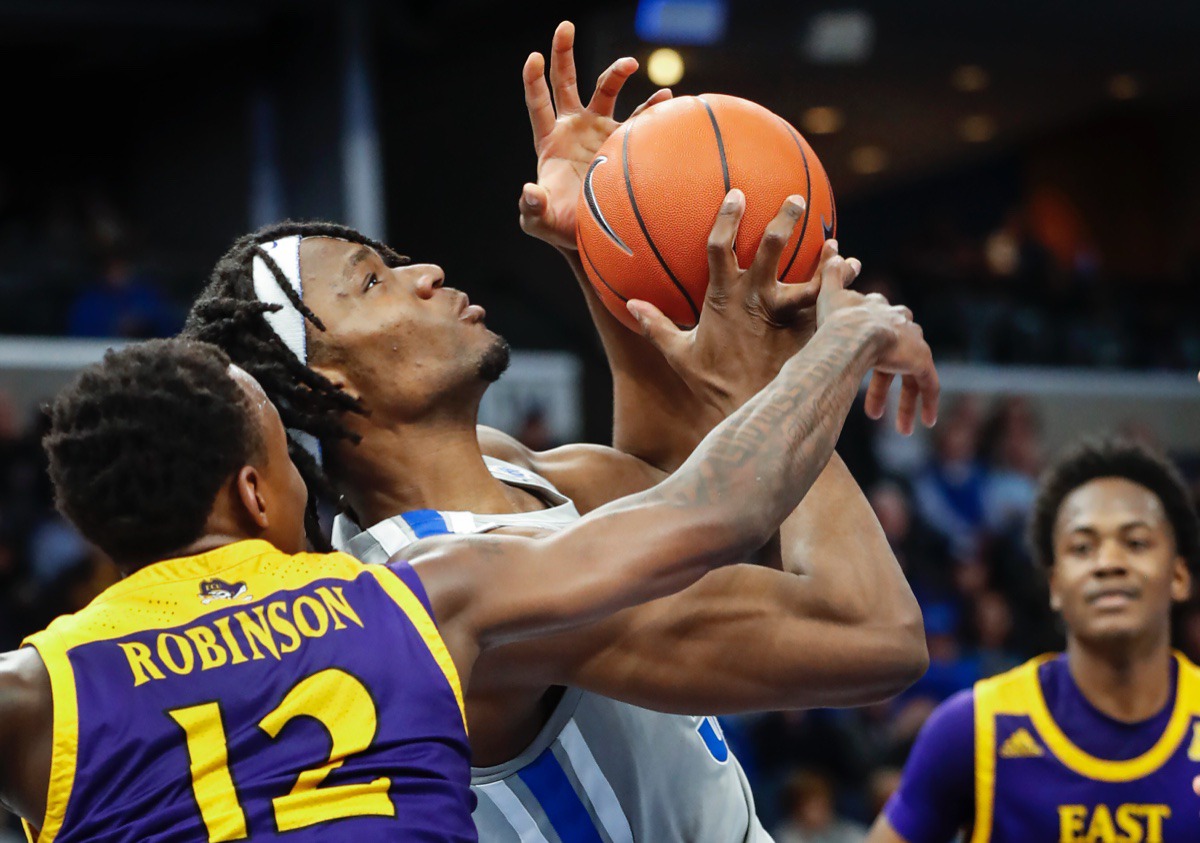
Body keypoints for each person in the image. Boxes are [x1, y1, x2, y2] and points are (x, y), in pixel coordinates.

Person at [185, 22, 937, 841]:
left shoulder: (500, 469)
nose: (425, 272)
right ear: (324, 380)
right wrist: (805, 361)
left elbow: (668, 483)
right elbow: (871, 633)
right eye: (373, 282)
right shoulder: (439, 601)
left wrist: (605, 240)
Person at [0, 291, 928, 843]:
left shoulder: (43, 691)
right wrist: (837, 343)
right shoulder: (410, 595)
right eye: (291, 457)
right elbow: (718, 505)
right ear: (254, 493)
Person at [867, 437, 1200, 842]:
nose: (1109, 563)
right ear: (1055, 584)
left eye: (1135, 543)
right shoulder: (973, 728)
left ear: (1180, 575)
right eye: (1082, 547)